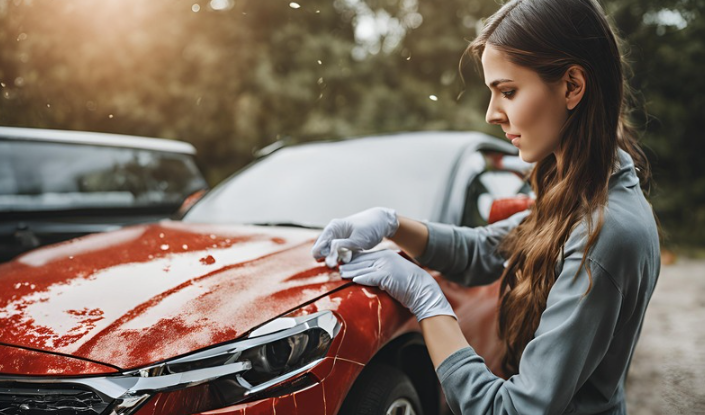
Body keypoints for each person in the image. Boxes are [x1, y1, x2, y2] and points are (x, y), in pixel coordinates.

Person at [311, 0, 661, 413]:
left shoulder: (605, 232)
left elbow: (515, 409)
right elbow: (486, 250)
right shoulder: (579, 189)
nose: (491, 113)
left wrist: (427, 299)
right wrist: (392, 224)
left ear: (572, 86)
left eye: (508, 91)